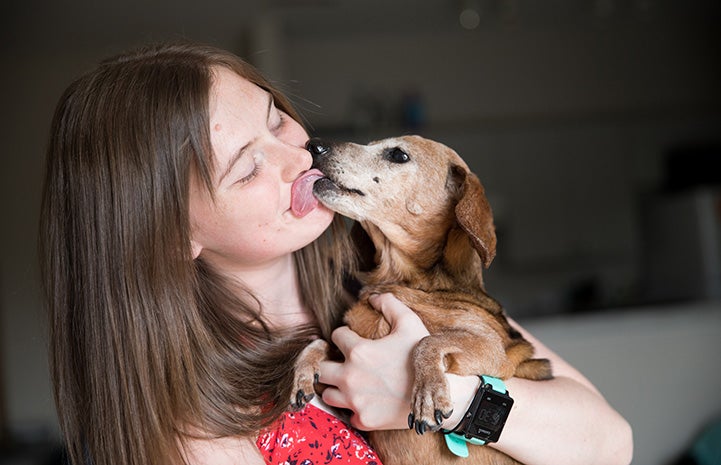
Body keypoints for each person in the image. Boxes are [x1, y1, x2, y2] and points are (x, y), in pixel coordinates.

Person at [39, 42, 632, 465]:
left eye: (279, 120)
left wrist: (448, 400)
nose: (300, 158)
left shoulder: (392, 275)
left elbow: (608, 444)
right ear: (171, 236)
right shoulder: (191, 425)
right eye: (248, 167)